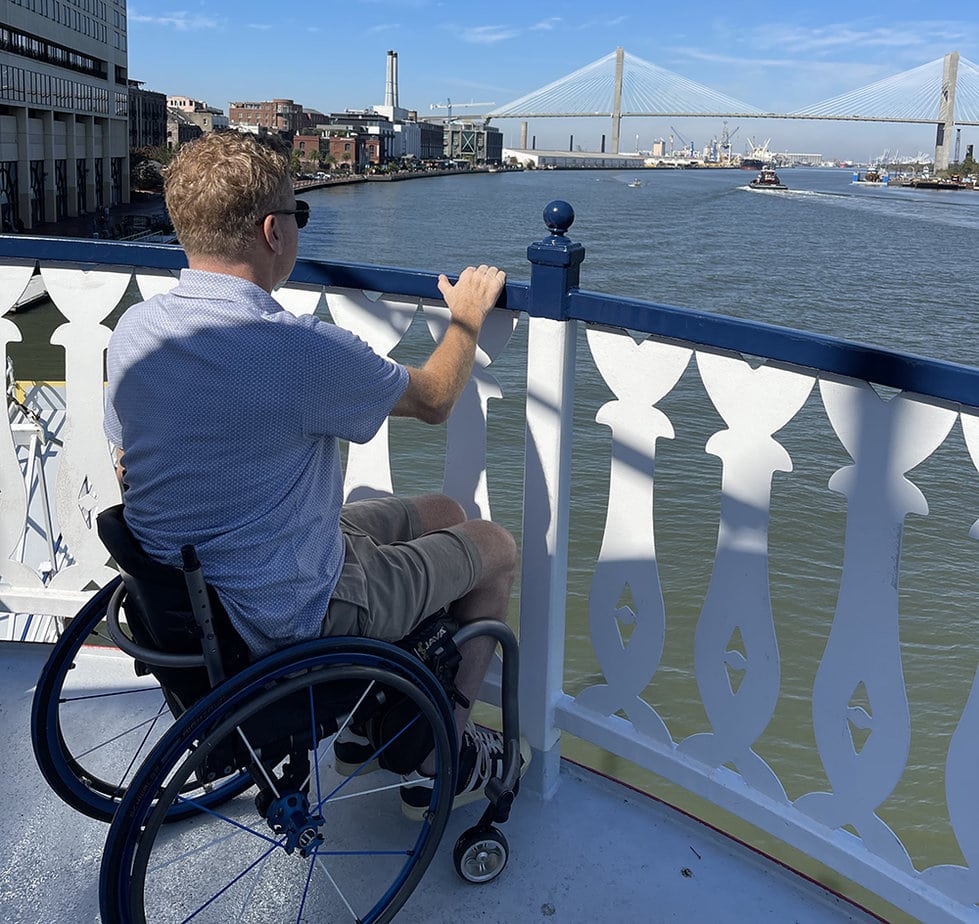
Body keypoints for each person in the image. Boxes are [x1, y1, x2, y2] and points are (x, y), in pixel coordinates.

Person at [103, 130, 527, 818]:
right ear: (274, 231)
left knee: (445, 510)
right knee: (494, 549)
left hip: (199, 593)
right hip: (292, 612)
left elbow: (125, 462)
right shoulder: (297, 351)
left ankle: (370, 719)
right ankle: (439, 749)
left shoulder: (136, 332)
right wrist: (467, 321)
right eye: (299, 216)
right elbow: (434, 399)